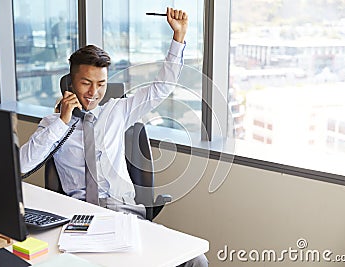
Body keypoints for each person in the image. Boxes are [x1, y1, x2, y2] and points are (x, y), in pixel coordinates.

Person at [20, 7, 207, 267]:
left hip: (124, 216)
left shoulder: (118, 111)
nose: (94, 92)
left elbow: (162, 88)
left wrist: (178, 38)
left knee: (196, 260)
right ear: (71, 83)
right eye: (86, 83)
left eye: (101, 84)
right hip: (79, 220)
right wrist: (62, 122)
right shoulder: (54, 125)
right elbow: (21, 166)